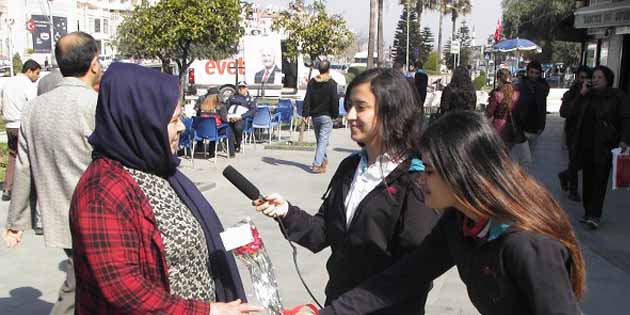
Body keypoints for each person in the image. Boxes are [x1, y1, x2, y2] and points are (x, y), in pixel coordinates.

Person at [316, 111, 587, 315]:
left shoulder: (527, 244)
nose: (419, 180)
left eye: (429, 171)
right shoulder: (460, 222)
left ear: (461, 173)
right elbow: (403, 277)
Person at [69, 62, 261, 315]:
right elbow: (124, 291)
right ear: (139, 123)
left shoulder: (156, 167)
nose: (182, 127)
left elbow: (190, 233)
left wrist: (238, 239)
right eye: (173, 120)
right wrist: (209, 311)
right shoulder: (101, 193)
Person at [254, 68, 440, 315]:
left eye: (361, 107)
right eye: (349, 105)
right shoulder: (350, 167)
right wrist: (286, 212)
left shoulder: (417, 179)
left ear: (390, 111)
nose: (350, 115)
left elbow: (412, 271)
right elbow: (322, 232)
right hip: (337, 304)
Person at [3, 32, 101, 315]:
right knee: (82, 286)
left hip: (57, 215)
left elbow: (22, 165)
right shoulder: (96, 106)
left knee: (80, 281)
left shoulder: (33, 108)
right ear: (94, 64)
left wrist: (15, 221)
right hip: (98, 217)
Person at [569, 65, 630, 230]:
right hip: (585, 144)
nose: (595, 80)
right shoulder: (586, 95)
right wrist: (581, 94)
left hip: (605, 145)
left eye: (599, 77)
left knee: (599, 181)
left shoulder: (617, 96)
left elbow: (626, 119)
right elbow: (569, 112)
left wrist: (624, 139)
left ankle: (595, 215)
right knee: (588, 180)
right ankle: (588, 212)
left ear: (607, 80)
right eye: (593, 77)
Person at [1, 59, 40, 201]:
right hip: (21, 125)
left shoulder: (8, 82)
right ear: (29, 71)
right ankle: (28, 191)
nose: (37, 77)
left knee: (12, 157)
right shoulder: (27, 84)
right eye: (36, 73)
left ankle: (7, 188)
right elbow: (33, 105)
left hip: (9, 125)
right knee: (29, 158)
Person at [558, 66, 591, 202]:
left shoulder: (593, 93)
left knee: (584, 162)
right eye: (581, 77)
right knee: (574, 160)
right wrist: (580, 95)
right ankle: (573, 190)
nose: (583, 81)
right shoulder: (571, 93)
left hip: (589, 133)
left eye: (586, 78)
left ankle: (565, 175)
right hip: (574, 133)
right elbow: (564, 112)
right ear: (577, 78)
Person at [302, 60, 339, 174]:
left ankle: (324, 161)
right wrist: (335, 114)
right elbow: (334, 100)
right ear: (328, 69)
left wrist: (306, 113)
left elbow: (307, 98)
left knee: (320, 140)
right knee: (322, 141)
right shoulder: (332, 83)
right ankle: (317, 164)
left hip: (315, 117)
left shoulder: (312, 82)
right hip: (326, 117)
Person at [512, 60, 550, 168]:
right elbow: (514, 107)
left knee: (525, 160)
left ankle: (519, 179)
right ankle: (521, 182)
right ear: (527, 72)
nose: (533, 75)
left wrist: (541, 126)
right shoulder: (520, 86)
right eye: (531, 72)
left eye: (536, 73)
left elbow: (542, 108)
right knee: (527, 160)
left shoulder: (542, 88)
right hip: (521, 128)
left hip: (535, 128)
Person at [485, 68, 523, 147]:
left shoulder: (497, 95)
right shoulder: (517, 94)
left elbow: (489, 113)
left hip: (498, 128)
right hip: (512, 128)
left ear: (498, 79)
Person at [195, 87, 236, 158]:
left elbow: (198, 117)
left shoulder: (202, 107)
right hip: (215, 131)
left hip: (202, 132)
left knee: (211, 125)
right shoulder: (220, 107)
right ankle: (231, 152)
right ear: (217, 96)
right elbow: (225, 119)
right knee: (228, 128)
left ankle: (201, 147)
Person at [227, 81, 256, 153]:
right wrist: (228, 116)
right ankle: (231, 145)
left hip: (242, 119)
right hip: (230, 117)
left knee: (238, 128)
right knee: (227, 128)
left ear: (246, 88)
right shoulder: (232, 97)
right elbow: (226, 107)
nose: (241, 89)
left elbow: (253, 111)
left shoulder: (250, 99)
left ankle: (237, 144)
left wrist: (241, 117)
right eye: (239, 87)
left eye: (243, 87)